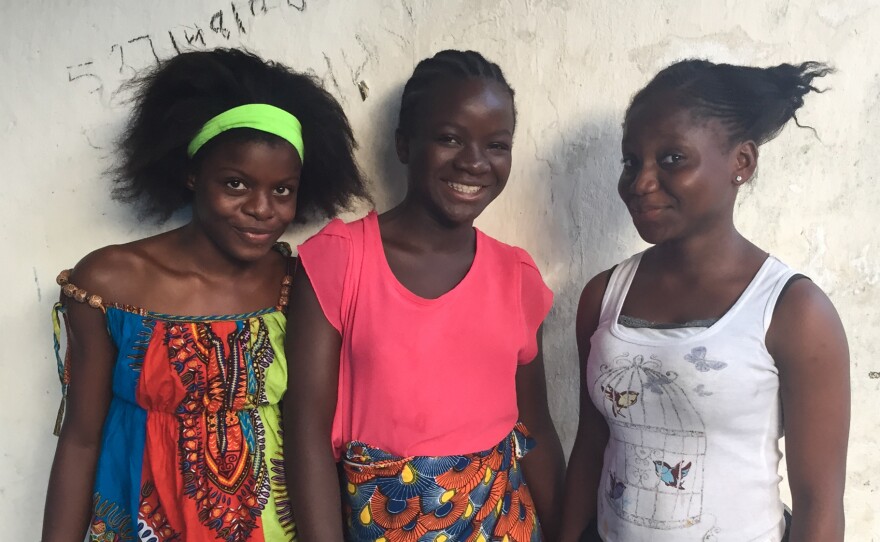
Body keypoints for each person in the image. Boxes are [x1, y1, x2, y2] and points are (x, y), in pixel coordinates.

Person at [42, 48, 367, 542]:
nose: (261, 208)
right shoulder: (109, 283)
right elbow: (82, 440)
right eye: (235, 184)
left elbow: (309, 436)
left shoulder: (297, 285)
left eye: (283, 190)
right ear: (192, 173)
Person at [559, 59, 850, 542]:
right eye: (632, 161)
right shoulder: (603, 297)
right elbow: (591, 445)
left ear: (742, 163)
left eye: (672, 158)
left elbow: (820, 504)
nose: (641, 182)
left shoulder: (793, 311)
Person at [284, 49, 565, 541]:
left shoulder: (515, 275)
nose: (475, 162)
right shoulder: (341, 259)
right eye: (450, 138)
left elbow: (534, 425)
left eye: (497, 145)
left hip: (504, 524)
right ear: (404, 145)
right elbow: (306, 430)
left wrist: (566, 530)